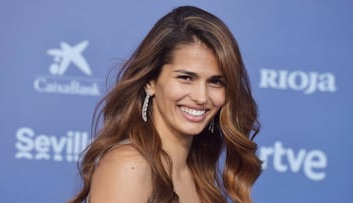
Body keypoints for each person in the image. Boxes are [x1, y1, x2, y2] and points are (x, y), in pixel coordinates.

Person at [68, 5, 261, 203]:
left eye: (216, 82)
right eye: (186, 78)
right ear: (151, 82)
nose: (202, 97)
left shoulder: (199, 176)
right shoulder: (129, 166)